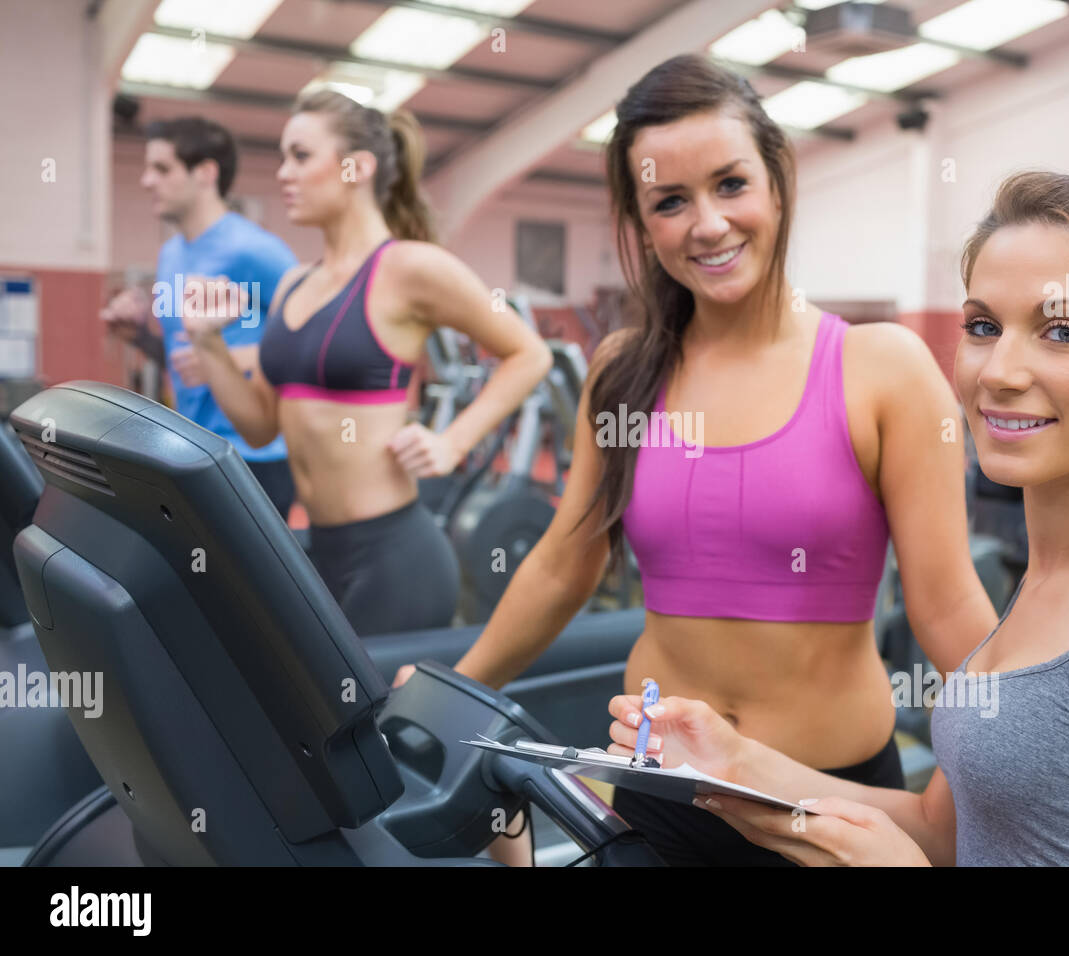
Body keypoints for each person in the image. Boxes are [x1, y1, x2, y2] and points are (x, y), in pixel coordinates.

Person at [395, 54, 999, 866]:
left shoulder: (881, 366)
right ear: (642, 223)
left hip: (824, 800)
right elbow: (562, 566)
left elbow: (948, 605)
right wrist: (454, 691)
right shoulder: (621, 371)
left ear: (778, 184)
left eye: (730, 185)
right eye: (669, 202)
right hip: (658, 789)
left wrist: (1027, 743)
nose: (706, 224)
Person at [607, 171, 1069, 866]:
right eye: (982, 326)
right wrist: (735, 763)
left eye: (1062, 332)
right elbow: (949, 833)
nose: (998, 370)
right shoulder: (1044, 584)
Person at [178, 89, 552, 639]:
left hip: (395, 559)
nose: (284, 173)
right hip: (321, 554)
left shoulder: (408, 268)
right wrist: (208, 344)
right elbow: (259, 429)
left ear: (358, 167)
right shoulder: (292, 284)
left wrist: (454, 441)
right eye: (284, 157)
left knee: (375, 725)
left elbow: (530, 353)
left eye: (301, 156)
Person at [102, 117, 298, 518]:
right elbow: (182, 363)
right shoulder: (171, 254)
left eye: (161, 168)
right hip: (194, 449)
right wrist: (139, 337)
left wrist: (230, 361)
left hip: (255, 458)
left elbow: (315, 339)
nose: (145, 180)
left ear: (205, 173)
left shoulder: (255, 250)